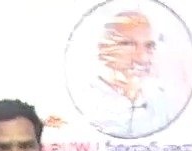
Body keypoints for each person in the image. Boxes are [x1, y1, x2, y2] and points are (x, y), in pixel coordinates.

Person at [71, 10, 178, 139]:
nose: (142, 57)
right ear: (103, 48)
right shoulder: (81, 104)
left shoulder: (161, 105)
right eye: (128, 45)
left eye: (149, 46)